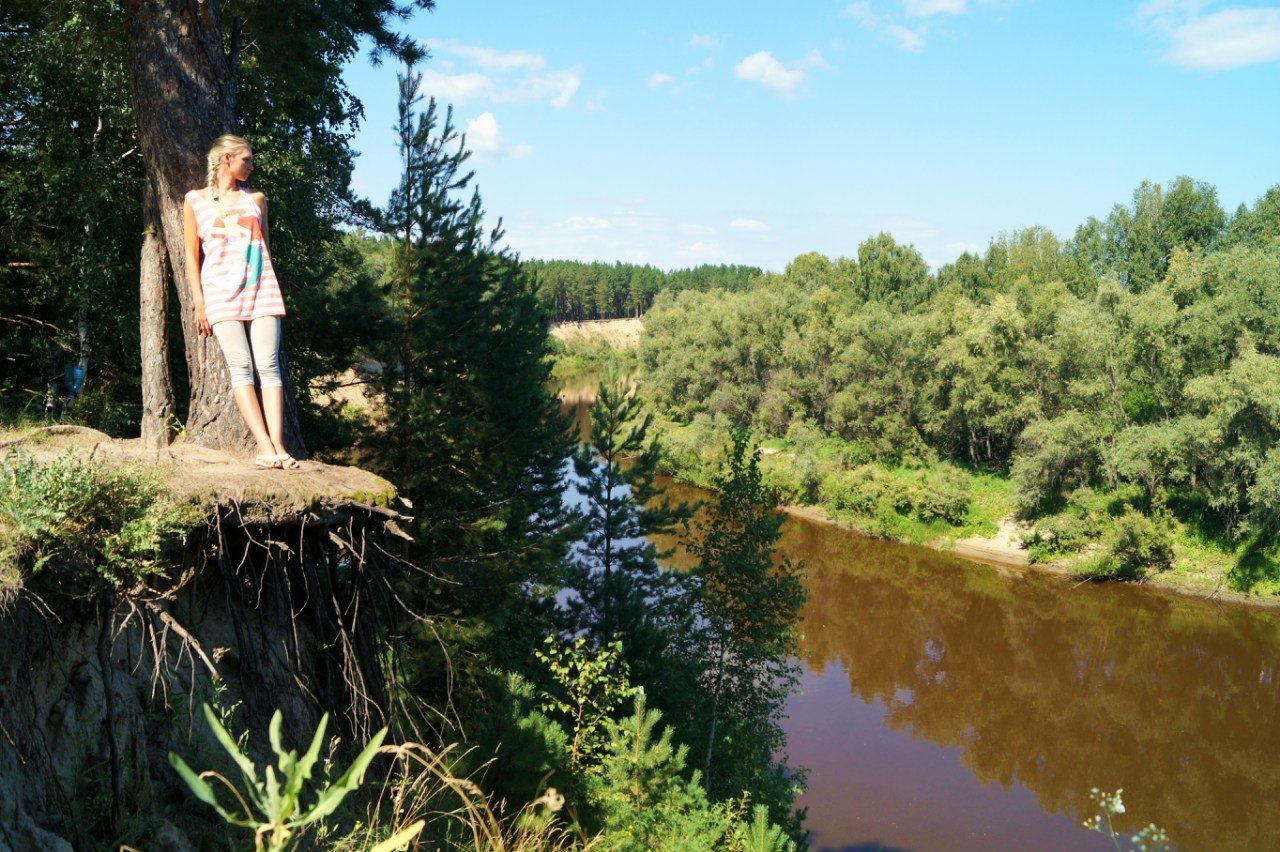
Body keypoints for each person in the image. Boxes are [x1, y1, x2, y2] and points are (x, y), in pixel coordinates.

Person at [182, 134, 298, 469]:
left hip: (261, 290)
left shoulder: (257, 200)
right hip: (218, 294)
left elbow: (267, 250)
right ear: (226, 160)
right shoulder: (195, 201)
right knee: (241, 368)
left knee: (269, 366)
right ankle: (263, 447)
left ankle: (278, 445)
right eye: (246, 158)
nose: (251, 164)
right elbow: (191, 256)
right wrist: (199, 303)